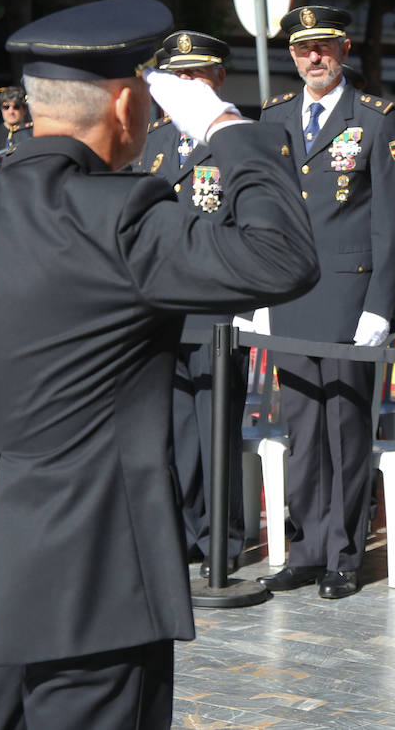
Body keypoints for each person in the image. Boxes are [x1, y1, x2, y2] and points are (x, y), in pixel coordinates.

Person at [0, 0, 319, 729]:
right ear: (123, 104)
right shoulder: (127, 216)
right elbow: (284, 256)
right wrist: (224, 127)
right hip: (99, 580)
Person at [253, 5, 395, 601]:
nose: (312, 57)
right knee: (301, 429)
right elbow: (264, 213)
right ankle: (307, 547)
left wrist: (379, 305)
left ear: (343, 51)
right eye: (301, 49)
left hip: (350, 300)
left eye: (323, 47)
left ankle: (343, 553)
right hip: (291, 297)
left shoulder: (375, 119)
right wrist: (262, 292)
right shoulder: (274, 118)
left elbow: (392, 223)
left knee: (344, 429)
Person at [135, 29, 250, 574]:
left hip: (214, 311)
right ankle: (179, 532)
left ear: (218, 79)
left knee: (214, 430)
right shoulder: (154, 143)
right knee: (174, 430)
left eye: (196, 75)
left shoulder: (237, 138)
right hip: (162, 311)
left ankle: (221, 539)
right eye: (178, 77)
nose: (186, 85)